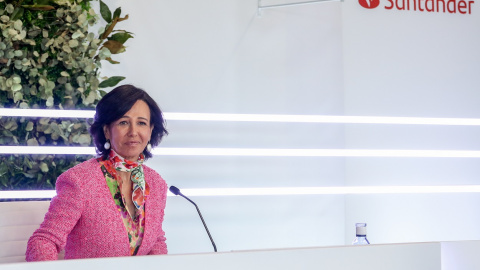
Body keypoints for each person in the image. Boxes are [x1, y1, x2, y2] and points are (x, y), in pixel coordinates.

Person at [26, 85, 169, 261]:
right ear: (106, 130)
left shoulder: (156, 184)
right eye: (123, 122)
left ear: (151, 130)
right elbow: (42, 241)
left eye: (141, 123)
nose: (133, 132)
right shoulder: (80, 181)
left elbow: (155, 242)